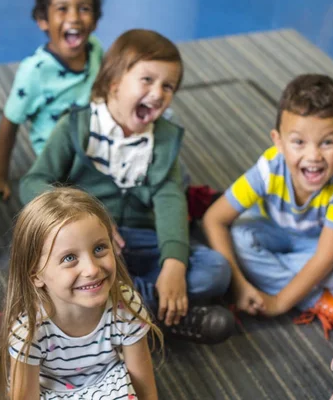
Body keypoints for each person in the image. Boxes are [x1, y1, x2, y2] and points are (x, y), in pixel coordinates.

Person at [19, 29, 234, 344]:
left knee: (216, 271)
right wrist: (80, 213)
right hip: (85, 245)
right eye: (147, 80)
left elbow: (171, 202)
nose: (158, 93)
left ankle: (119, 311)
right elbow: (32, 183)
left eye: (168, 86)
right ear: (114, 83)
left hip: (138, 241)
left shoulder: (162, 139)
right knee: (39, 263)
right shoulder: (76, 127)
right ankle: (162, 313)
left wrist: (173, 265)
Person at [203, 74, 333, 339]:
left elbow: (325, 256)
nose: (313, 156)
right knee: (240, 237)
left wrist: (279, 303)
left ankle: (294, 287)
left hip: (318, 246)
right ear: (278, 141)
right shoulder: (268, 168)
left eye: (327, 142)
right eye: (299, 142)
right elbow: (213, 219)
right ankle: (316, 296)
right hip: (272, 234)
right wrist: (240, 286)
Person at [0, 188, 161, 399]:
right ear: (36, 274)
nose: (92, 269)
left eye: (99, 248)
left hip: (106, 383)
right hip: (51, 391)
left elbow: (144, 387)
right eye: (69, 258)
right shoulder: (29, 331)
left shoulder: (124, 304)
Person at [0, 0, 103, 201]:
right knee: (60, 204)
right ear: (43, 20)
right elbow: (9, 123)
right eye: (62, 9)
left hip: (97, 143)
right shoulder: (35, 72)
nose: (73, 18)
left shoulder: (96, 48)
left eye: (84, 9)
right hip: (59, 162)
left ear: (95, 21)